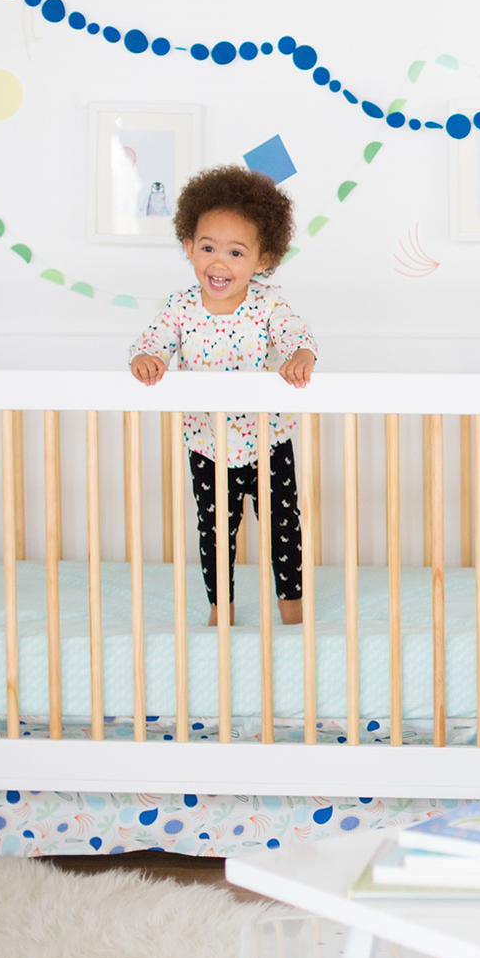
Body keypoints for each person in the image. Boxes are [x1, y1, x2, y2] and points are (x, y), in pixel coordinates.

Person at [128, 165, 315, 626]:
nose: (219, 262)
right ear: (188, 246)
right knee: (214, 531)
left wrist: (300, 356)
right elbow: (151, 342)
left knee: (284, 527)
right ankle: (221, 609)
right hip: (208, 444)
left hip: (269, 439)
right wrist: (148, 359)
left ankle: (291, 609)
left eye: (236, 252)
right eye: (208, 247)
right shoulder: (180, 308)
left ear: (263, 259)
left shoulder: (269, 304)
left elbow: (295, 336)